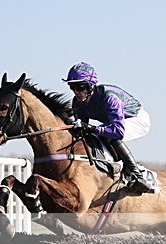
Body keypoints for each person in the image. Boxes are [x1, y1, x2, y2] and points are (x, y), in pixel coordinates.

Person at [63, 62, 155, 193]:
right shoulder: (77, 102)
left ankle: (138, 177)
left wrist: (90, 128)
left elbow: (118, 132)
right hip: (114, 123)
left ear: (90, 85)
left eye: (80, 87)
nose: (76, 92)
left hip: (136, 119)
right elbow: (81, 129)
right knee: (93, 135)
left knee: (108, 134)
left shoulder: (109, 97)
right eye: (72, 87)